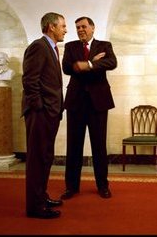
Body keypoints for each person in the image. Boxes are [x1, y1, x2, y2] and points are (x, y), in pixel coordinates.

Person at [60, 16, 117, 200]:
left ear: (92, 28)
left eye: (84, 26)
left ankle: (103, 186)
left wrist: (90, 64)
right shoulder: (70, 47)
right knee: (73, 146)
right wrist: (88, 64)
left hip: (98, 103)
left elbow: (112, 63)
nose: (80, 30)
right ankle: (71, 187)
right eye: (77, 27)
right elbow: (68, 68)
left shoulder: (104, 46)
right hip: (76, 102)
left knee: (99, 146)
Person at [21, 12, 67, 219]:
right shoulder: (38, 46)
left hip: (51, 112)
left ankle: (42, 196)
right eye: (63, 26)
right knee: (37, 159)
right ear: (51, 27)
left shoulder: (52, 48)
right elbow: (30, 80)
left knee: (45, 157)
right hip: (40, 113)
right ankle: (34, 207)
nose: (65, 30)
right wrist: (39, 107)